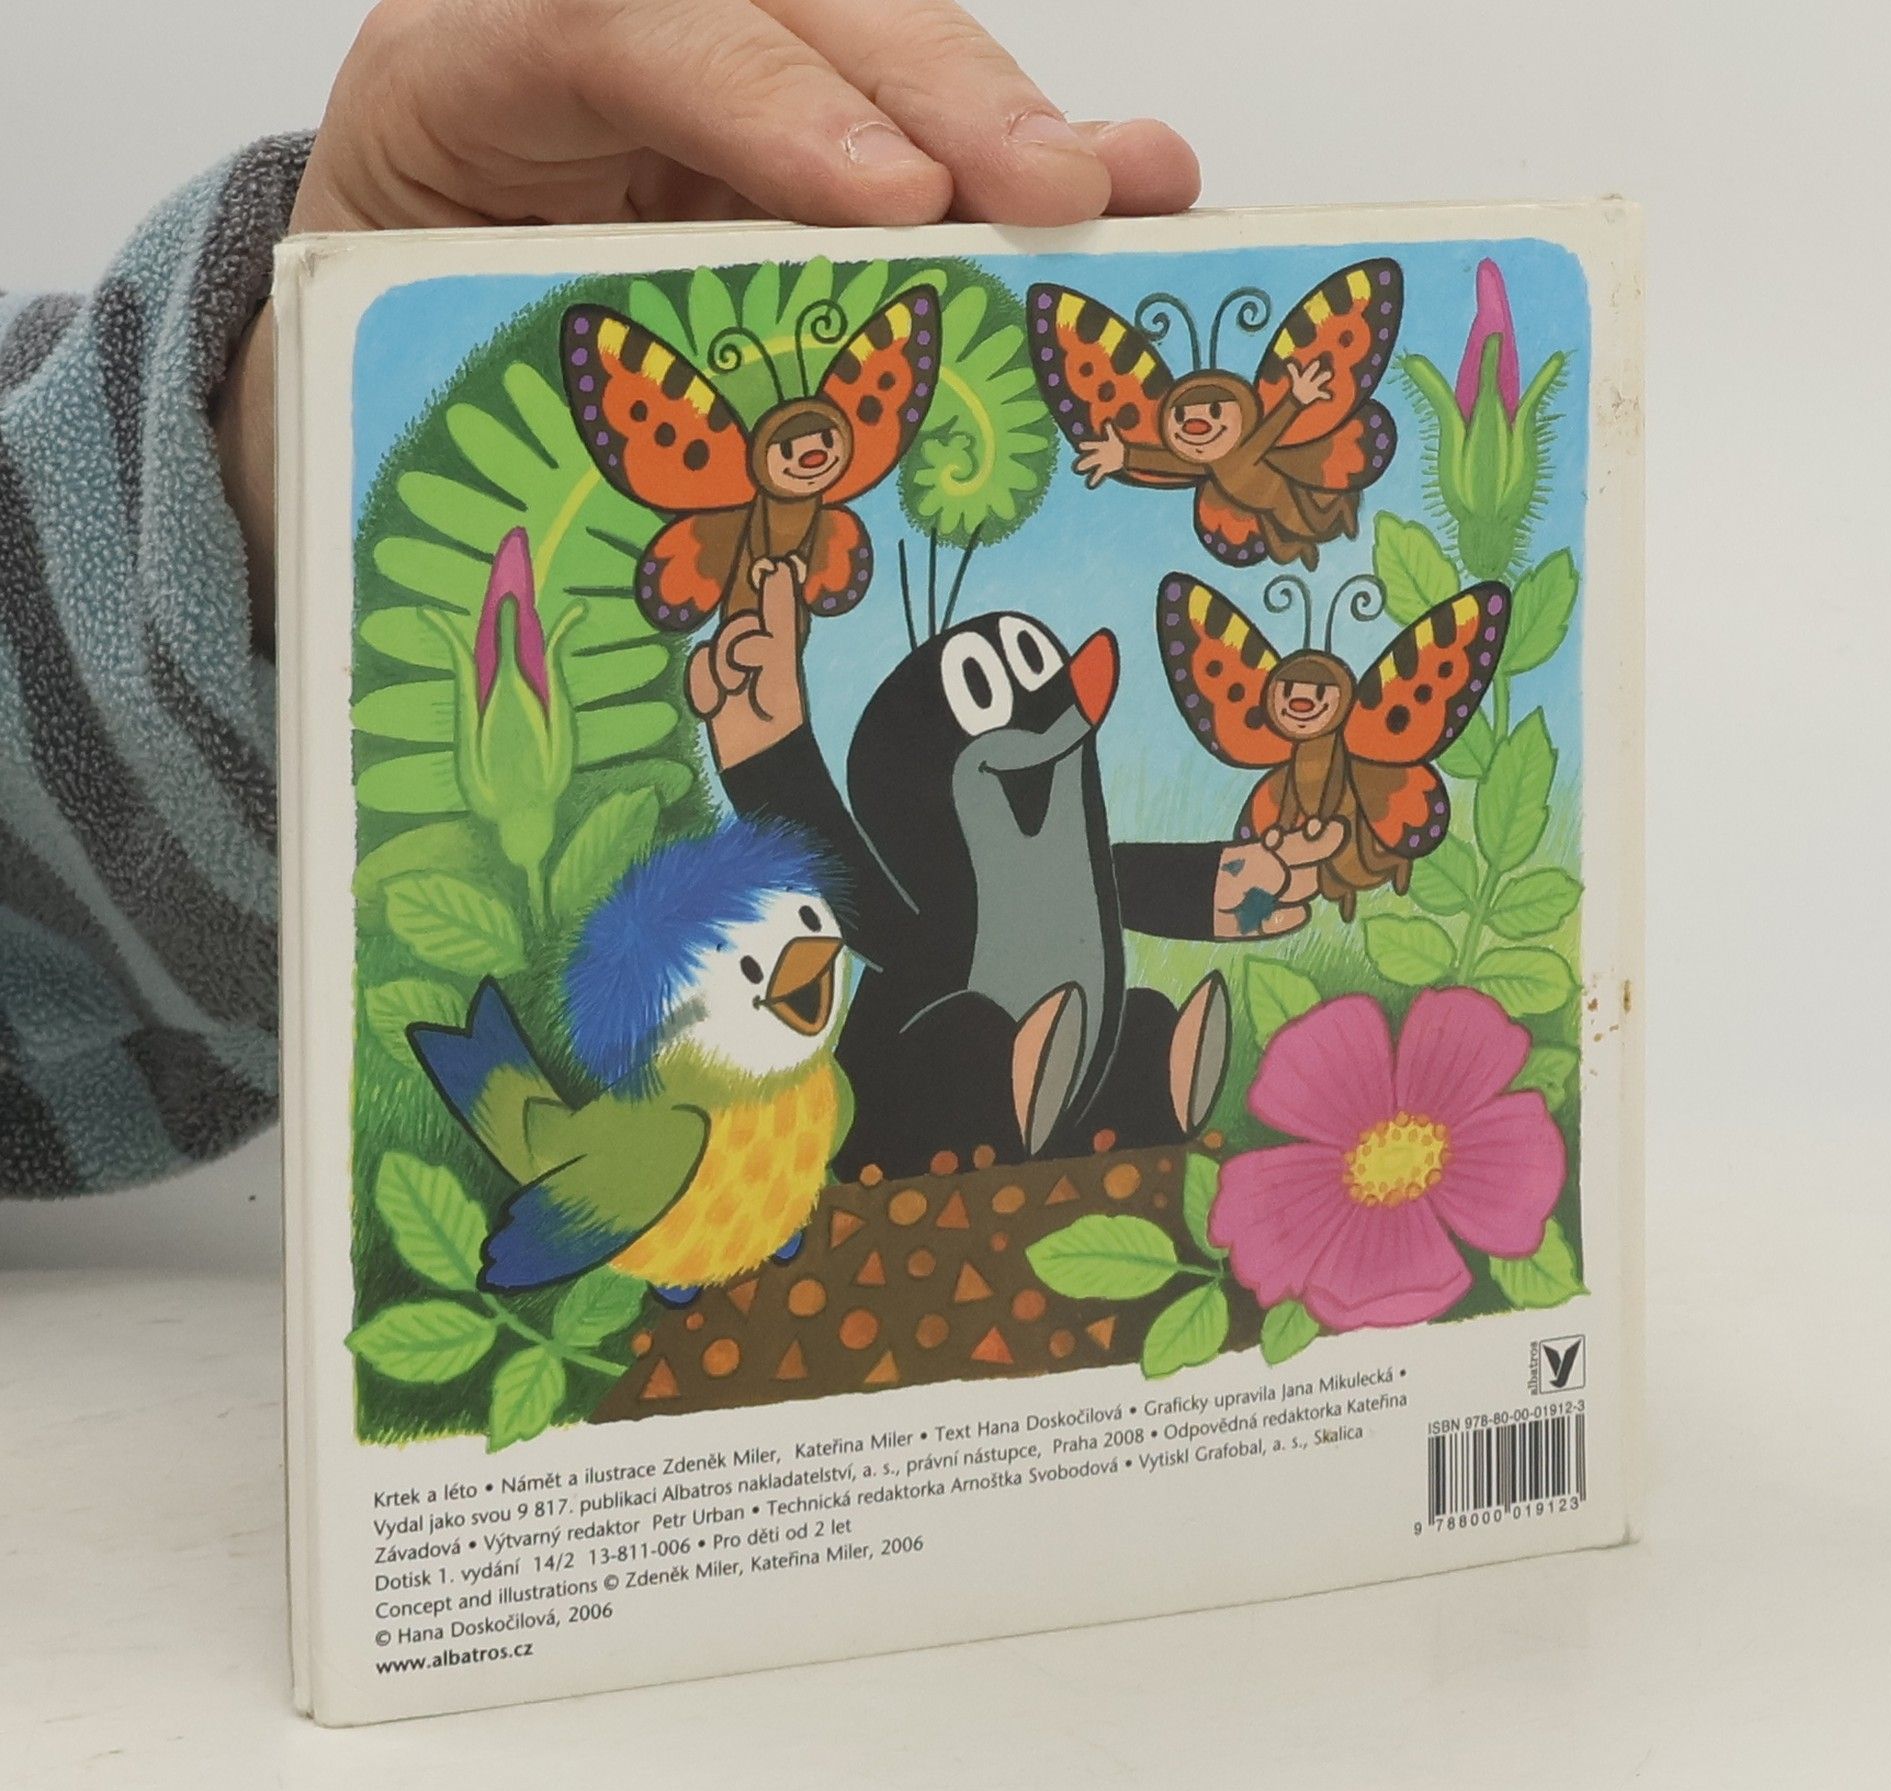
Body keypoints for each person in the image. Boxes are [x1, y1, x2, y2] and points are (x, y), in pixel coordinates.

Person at [0, 0, 1199, 1200]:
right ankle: (1003, 1080)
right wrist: (770, 743)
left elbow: (1123, 876)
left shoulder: (1066, 828)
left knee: (1137, 1023)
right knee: (944, 1047)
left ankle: (1145, 1068)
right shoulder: (935, 881)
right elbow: (840, 874)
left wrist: (266, 484)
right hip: (941, 1075)